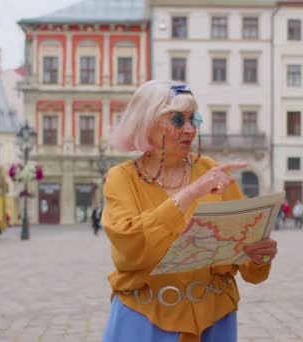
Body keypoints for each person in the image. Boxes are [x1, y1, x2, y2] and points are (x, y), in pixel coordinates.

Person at [101, 80, 278, 342]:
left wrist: (259, 256)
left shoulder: (211, 170)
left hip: (214, 317)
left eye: (194, 119)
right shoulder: (122, 178)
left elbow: (248, 262)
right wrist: (192, 192)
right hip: (144, 319)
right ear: (146, 122)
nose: (190, 129)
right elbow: (130, 247)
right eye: (177, 119)